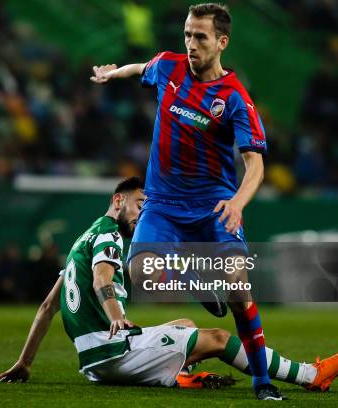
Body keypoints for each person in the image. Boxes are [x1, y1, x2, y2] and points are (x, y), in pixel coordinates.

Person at [0, 177, 338, 394]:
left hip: (93, 359)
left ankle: (180, 374)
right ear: (117, 201)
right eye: (139, 205)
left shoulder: (82, 241)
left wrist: (25, 363)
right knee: (218, 339)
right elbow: (103, 280)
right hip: (113, 351)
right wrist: (116, 315)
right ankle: (311, 375)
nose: (142, 213)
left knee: (185, 325)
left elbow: (46, 308)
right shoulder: (108, 236)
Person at [89, 3, 282, 400]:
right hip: (162, 204)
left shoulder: (235, 98)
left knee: (238, 288)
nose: (191, 44)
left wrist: (238, 203)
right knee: (141, 270)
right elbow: (141, 67)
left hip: (213, 207)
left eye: (200, 37)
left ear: (222, 42)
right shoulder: (169, 67)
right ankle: (202, 287)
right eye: (187, 35)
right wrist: (113, 73)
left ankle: (263, 383)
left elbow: (256, 165)